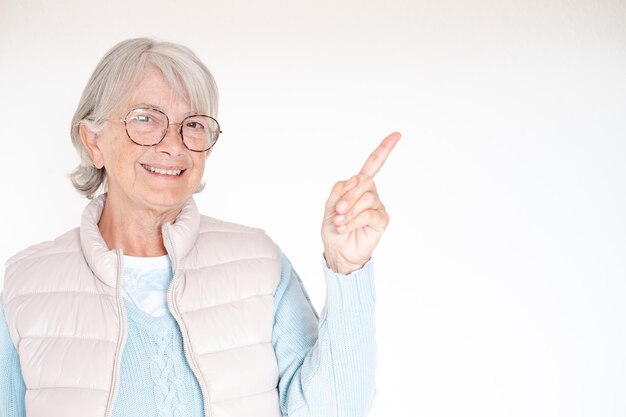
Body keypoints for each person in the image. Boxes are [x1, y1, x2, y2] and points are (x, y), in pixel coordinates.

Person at [0, 38, 400, 417]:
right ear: (93, 141)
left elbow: (335, 409)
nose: (173, 144)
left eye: (192, 125)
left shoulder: (258, 262)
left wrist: (347, 269)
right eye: (145, 118)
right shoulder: (25, 283)